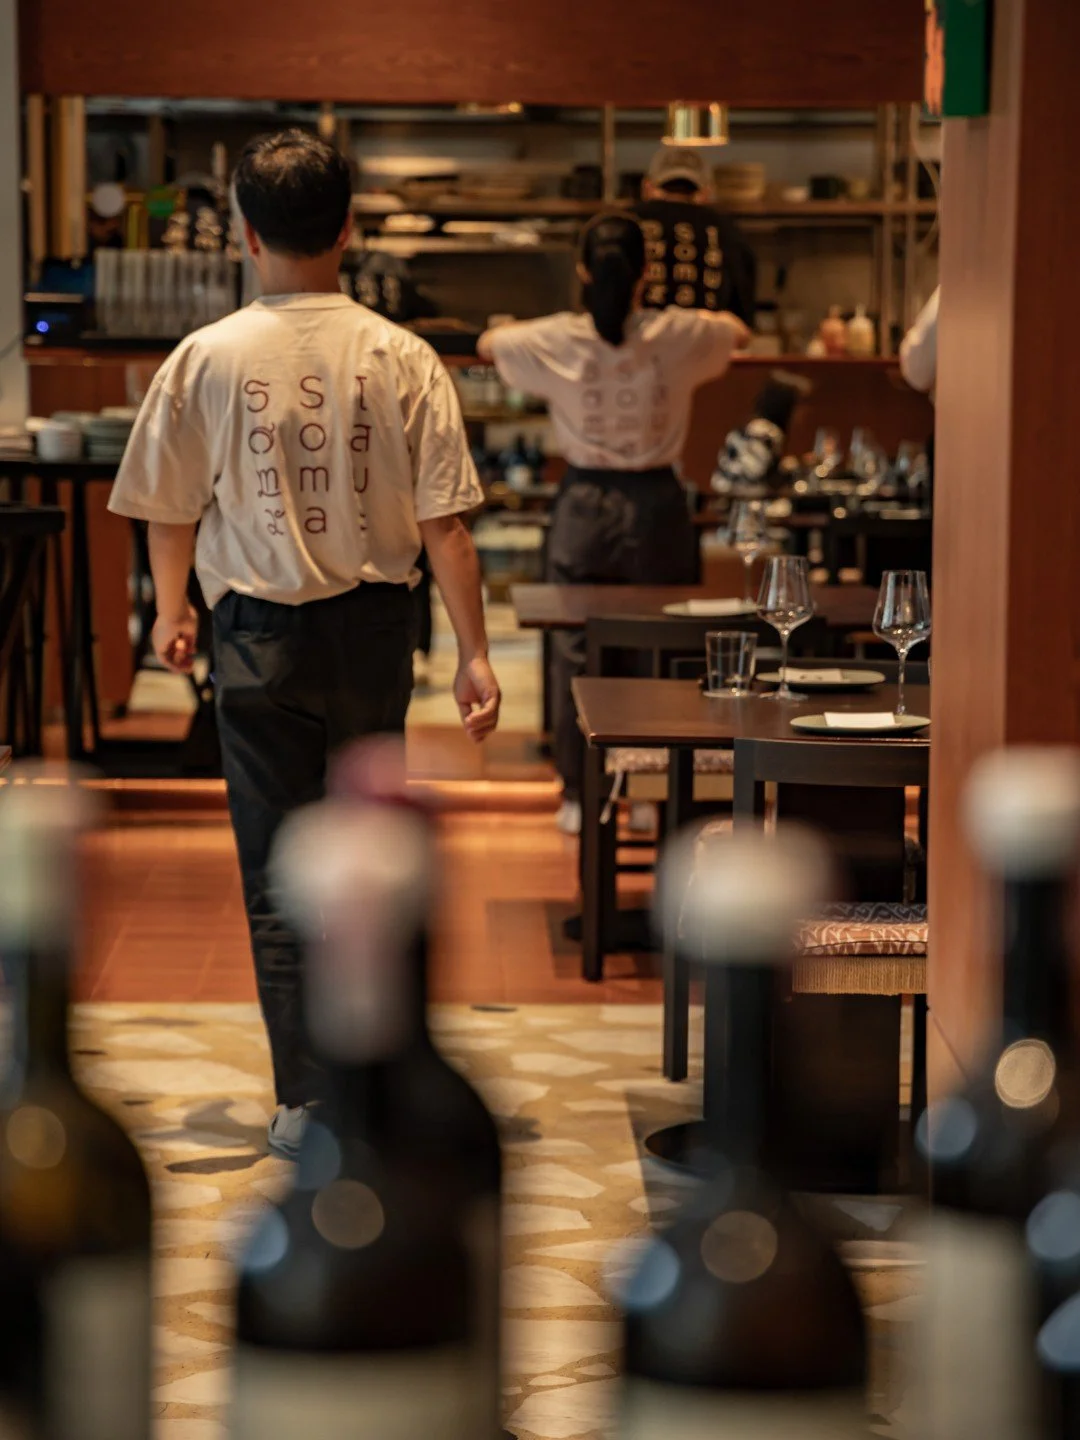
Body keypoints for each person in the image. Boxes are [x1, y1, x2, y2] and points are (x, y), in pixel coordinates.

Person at [108, 129, 500, 1158]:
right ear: (350, 229)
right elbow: (448, 529)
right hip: (373, 634)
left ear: (244, 232)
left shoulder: (206, 355)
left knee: (278, 874)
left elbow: (166, 507)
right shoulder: (402, 355)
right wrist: (475, 653)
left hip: (253, 640)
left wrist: (172, 610)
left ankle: (305, 1101)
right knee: (374, 861)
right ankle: (379, 1081)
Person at [478, 214, 748, 835]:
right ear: (645, 274)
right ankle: (649, 791)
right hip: (658, 504)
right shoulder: (678, 332)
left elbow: (491, 345)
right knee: (657, 649)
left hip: (583, 502)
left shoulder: (556, 337)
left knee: (575, 648)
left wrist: (509, 326)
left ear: (581, 271)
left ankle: (578, 794)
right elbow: (738, 331)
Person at [635, 146, 756, 325]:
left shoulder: (628, 221)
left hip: (639, 337)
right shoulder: (726, 229)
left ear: (647, 187)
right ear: (706, 192)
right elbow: (742, 311)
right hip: (709, 337)